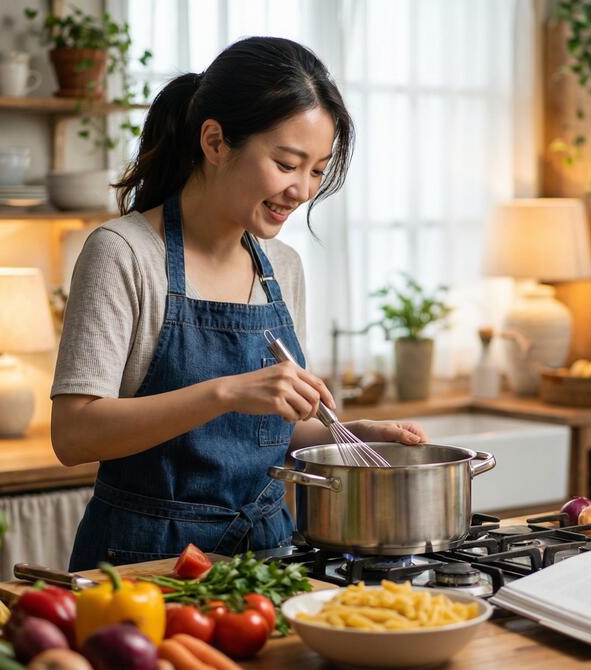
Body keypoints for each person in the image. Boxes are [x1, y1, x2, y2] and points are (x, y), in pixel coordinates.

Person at [52, 36, 428, 570]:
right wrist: (226, 392)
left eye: (317, 170)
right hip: (144, 562)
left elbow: (266, 431)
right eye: (287, 163)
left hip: (269, 555)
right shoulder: (125, 253)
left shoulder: (283, 266)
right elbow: (73, 435)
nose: (302, 190)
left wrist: (346, 439)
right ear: (214, 141)